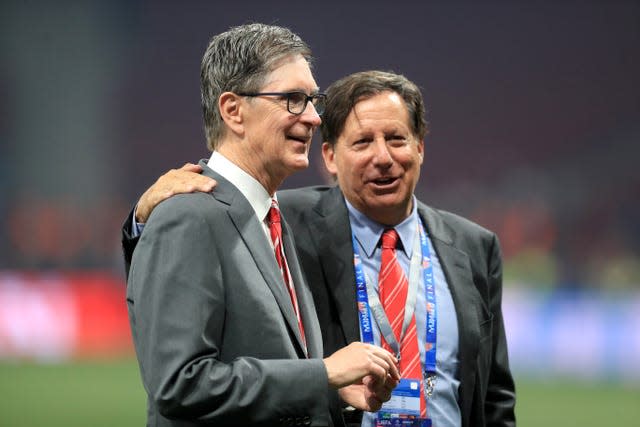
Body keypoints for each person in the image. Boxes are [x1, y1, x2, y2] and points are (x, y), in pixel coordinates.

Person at [124, 71, 516, 427]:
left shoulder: (474, 246)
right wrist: (145, 218)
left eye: (396, 139)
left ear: (420, 148)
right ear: (328, 156)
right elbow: (181, 273)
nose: (383, 158)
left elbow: (494, 395)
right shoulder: (280, 221)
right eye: (363, 142)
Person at [125, 25, 401, 427]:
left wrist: (329, 391)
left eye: (312, 100)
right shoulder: (188, 217)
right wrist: (322, 373)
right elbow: (180, 385)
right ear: (233, 110)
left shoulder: (268, 216)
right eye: (292, 100)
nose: (312, 117)